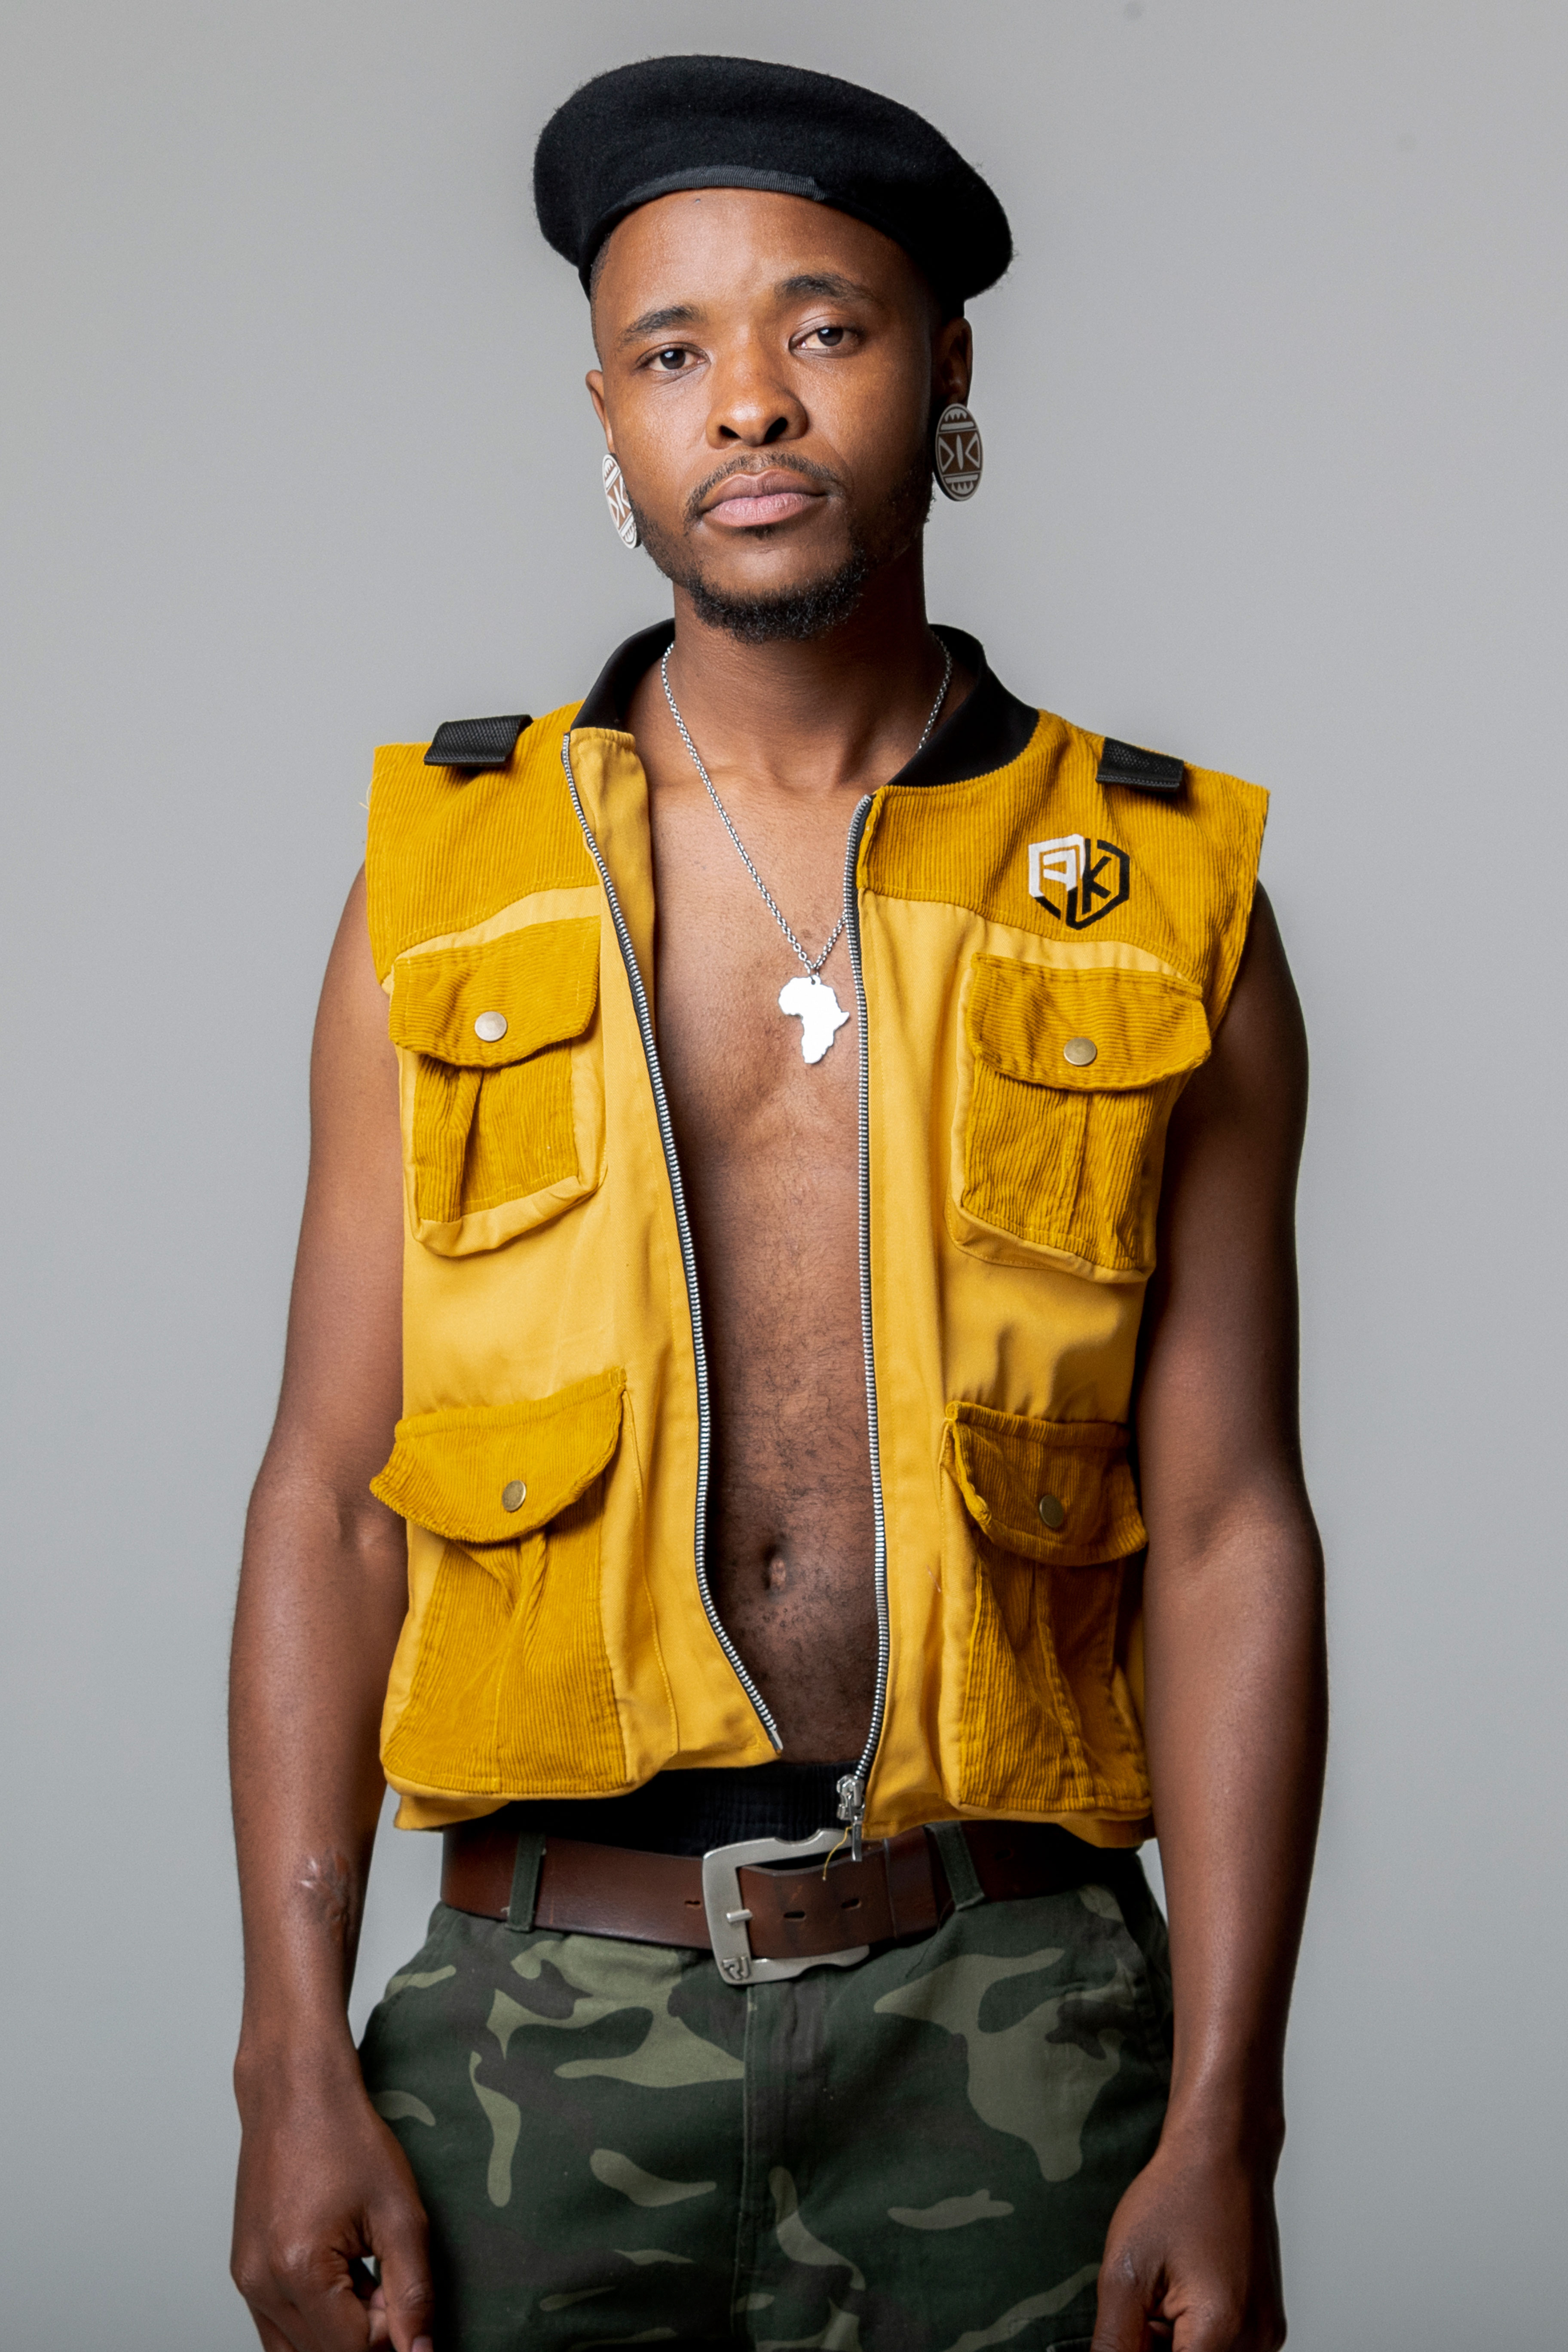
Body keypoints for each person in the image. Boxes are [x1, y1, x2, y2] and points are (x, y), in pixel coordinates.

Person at [229, 54, 1326, 2352]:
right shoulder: (448, 883)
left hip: (1018, 2024)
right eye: (672, 352)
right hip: (536, 2023)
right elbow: (330, 1499)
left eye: (824, 328)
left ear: (945, 371)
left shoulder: (1159, 898)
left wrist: (1228, 2114)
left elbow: (1232, 1528)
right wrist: (286, 2062)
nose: (747, 402)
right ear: (608, 417)